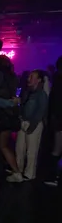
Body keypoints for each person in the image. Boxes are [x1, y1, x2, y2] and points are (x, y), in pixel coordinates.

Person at [7, 70, 48, 182]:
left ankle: (30, 173)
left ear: (39, 80)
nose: (29, 79)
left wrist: (33, 125)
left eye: (32, 77)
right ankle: (18, 169)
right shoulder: (27, 92)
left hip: (33, 123)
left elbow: (40, 111)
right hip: (23, 121)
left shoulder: (41, 94)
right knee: (19, 147)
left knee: (32, 150)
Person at [45, 57, 62, 186]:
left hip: (58, 120)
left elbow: (55, 102)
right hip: (58, 119)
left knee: (56, 149)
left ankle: (53, 177)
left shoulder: (58, 79)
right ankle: (53, 177)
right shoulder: (58, 79)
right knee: (57, 148)